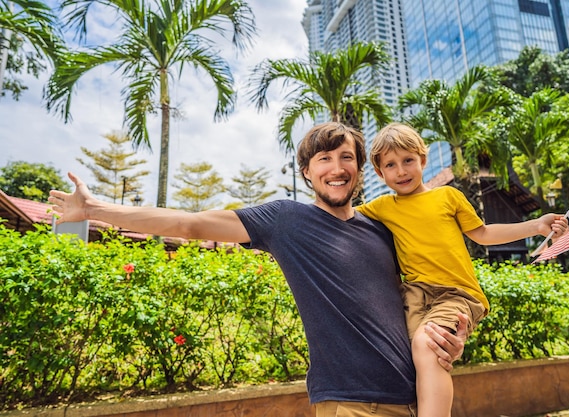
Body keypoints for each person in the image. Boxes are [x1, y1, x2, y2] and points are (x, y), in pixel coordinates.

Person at [49, 122, 469, 417]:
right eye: (324, 158)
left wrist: (452, 332)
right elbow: (189, 222)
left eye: (346, 157)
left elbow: (427, 292)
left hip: (416, 397)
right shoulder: (286, 220)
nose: (337, 168)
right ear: (307, 172)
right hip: (355, 402)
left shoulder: (382, 228)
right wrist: (94, 208)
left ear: (360, 171)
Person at [355, 123, 568, 417]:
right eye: (391, 165)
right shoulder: (381, 207)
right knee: (408, 358)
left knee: (428, 344)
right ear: (380, 173)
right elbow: (341, 220)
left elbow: (483, 233)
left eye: (408, 161)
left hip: (456, 293)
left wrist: (536, 225)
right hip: (415, 295)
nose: (401, 171)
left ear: (423, 160)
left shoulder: (448, 197)